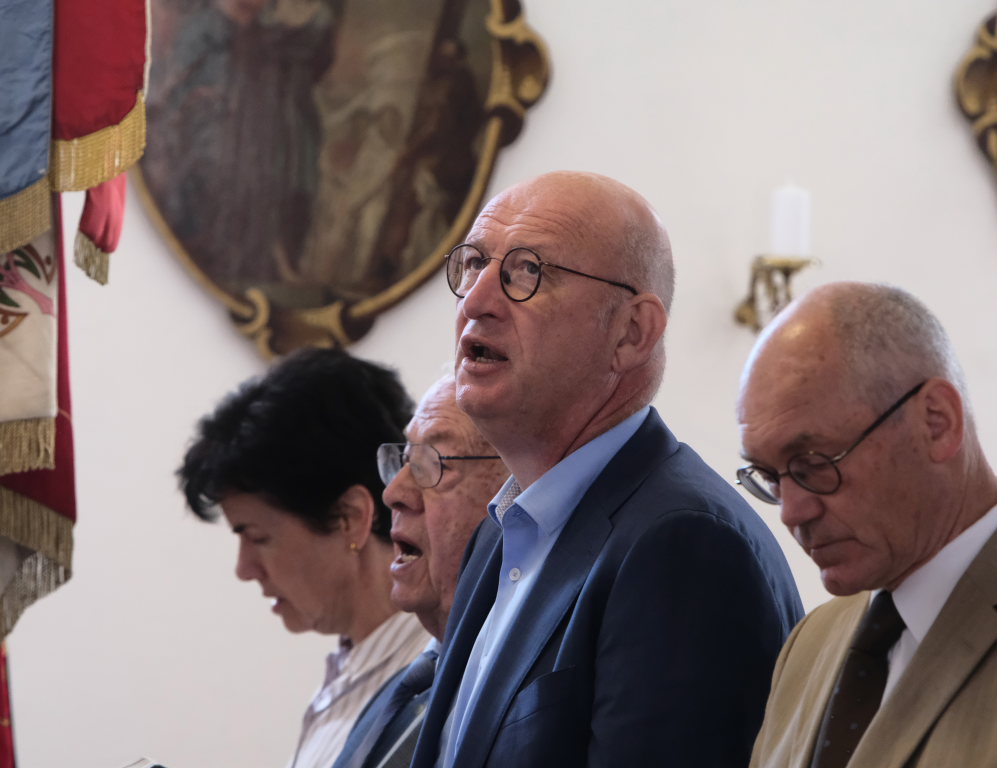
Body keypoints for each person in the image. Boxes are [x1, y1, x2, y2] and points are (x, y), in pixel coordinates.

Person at [409, 170, 804, 768]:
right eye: (474, 263)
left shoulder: (683, 545)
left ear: (632, 332)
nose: (476, 302)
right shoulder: (498, 533)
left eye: (527, 271)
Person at [737, 282, 997, 768]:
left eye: (814, 464)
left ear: (936, 421)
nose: (792, 512)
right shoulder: (809, 644)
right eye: (769, 476)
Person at [177, 348, 431, 768]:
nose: (244, 570)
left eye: (258, 537)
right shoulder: (349, 673)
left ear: (351, 518)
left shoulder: (430, 685)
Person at [332, 375, 508, 768]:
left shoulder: (528, 692)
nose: (393, 493)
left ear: (517, 492)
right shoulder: (399, 694)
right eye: (405, 461)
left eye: (431, 464)